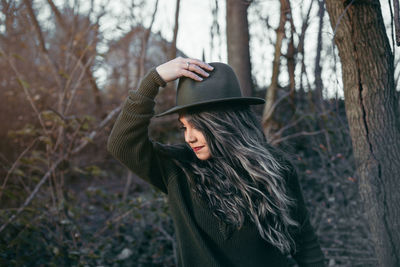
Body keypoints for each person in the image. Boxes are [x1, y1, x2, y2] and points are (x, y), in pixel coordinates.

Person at [107, 57, 326, 267]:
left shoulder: (275, 167)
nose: (188, 137)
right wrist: (153, 80)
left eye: (196, 125)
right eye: (184, 127)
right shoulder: (179, 169)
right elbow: (122, 144)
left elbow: (304, 243)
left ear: (222, 122)